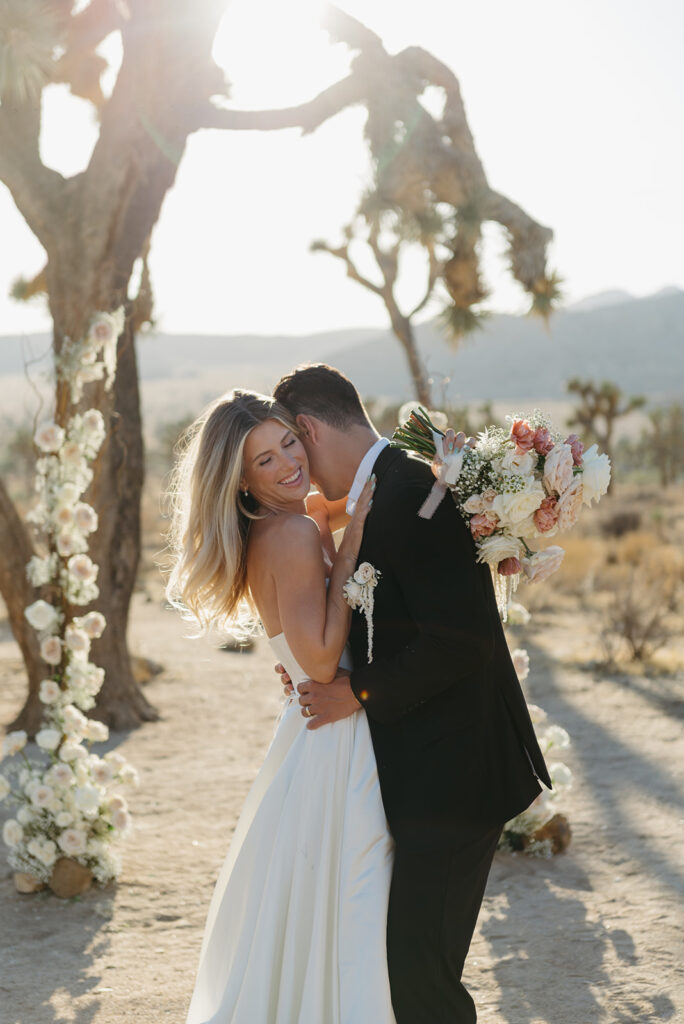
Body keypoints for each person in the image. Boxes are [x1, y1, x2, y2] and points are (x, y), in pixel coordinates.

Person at [273, 363, 553, 1024]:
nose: (298, 469)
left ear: (308, 428)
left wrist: (357, 691)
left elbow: (461, 639)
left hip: (458, 779)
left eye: (292, 446)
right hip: (430, 773)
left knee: (420, 983)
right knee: (409, 972)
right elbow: (395, 618)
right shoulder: (387, 488)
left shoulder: (410, 493)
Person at [164, 388, 396, 1024]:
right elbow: (321, 662)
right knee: (347, 902)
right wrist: (350, 553)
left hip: (314, 728)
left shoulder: (295, 516)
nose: (289, 464)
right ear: (241, 480)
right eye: (264, 460)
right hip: (334, 737)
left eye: (289, 442)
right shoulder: (292, 532)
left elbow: (366, 497)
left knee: (312, 908)